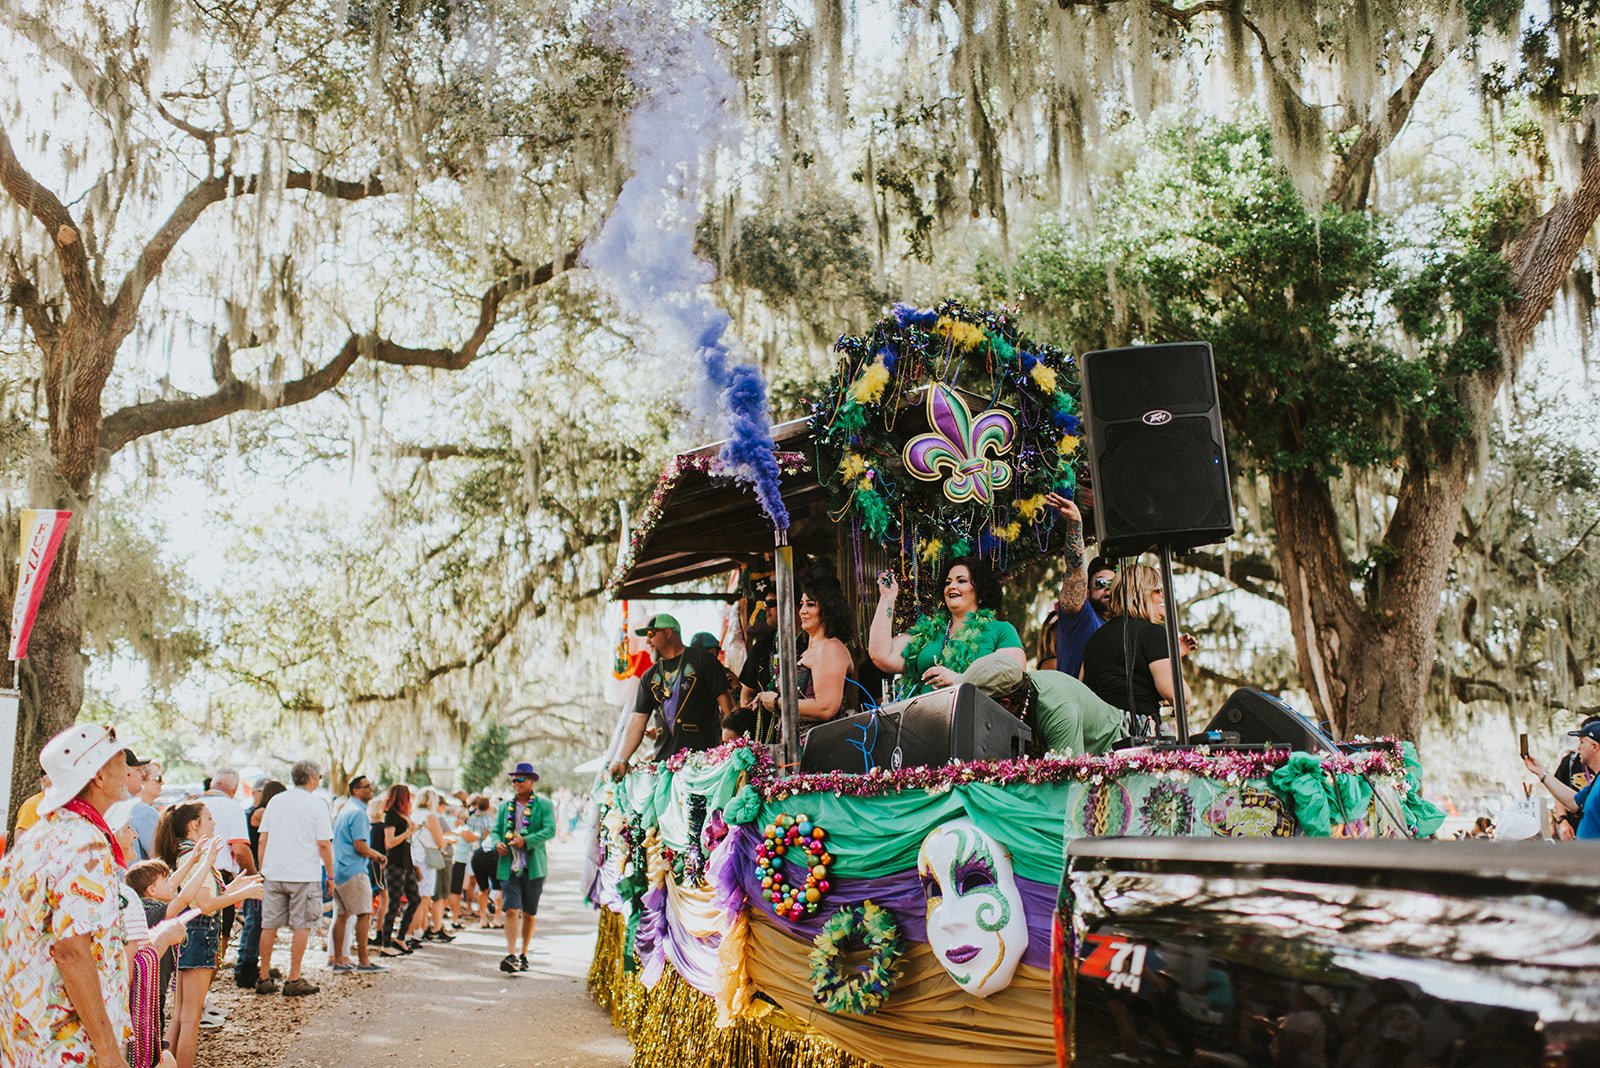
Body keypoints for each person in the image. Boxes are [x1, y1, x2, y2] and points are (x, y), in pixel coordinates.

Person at [0, 725, 135, 1067]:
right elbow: (71, 951)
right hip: (68, 1043)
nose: (129, 771)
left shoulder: (41, 834)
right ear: (99, 776)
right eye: (121, 760)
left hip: (30, 1030)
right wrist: (106, 1049)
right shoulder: (84, 844)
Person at [153, 802, 263, 1068]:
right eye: (210, 818)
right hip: (199, 936)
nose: (214, 823)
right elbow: (204, 904)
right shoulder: (195, 856)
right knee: (191, 1017)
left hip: (188, 936)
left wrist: (235, 887)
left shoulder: (186, 854)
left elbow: (206, 897)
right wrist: (243, 894)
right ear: (194, 826)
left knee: (181, 1014)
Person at [869, 557, 1026, 698]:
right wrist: (887, 598)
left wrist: (959, 680)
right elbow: (882, 655)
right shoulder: (928, 634)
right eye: (948, 582)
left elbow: (1014, 674)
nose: (951, 586)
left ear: (980, 589)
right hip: (924, 723)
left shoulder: (1000, 630)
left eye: (961, 580)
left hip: (973, 722)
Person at [608, 613, 733, 776]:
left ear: (668, 632)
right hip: (665, 767)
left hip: (705, 766)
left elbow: (728, 707)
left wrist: (732, 749)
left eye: (651, 634)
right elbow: (637, 720)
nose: (647, 641)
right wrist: (621, 760)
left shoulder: (704, 661)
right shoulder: (649, 676)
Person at [1080, 563, 1195, 733]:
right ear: (1142, 593)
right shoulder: (1153, 633)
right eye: (1158, 590)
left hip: (1098, 733)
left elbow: (1081, 687)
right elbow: (1177, 693)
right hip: (1134, 731)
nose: (1163, 596)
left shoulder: (1094, 639)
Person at [254, 759, 335, 997]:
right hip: (304, 874)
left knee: (268, 925)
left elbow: (263, 839)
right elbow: (323, 843)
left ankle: (264, 977)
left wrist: (263, 868)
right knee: (303, 925)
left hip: (274, 873)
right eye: (319, 777)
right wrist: (330, 874)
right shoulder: (317, 804)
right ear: (311, 778)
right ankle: (294, 978)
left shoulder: (276, 801)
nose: (319, 782)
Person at [956, 651, 1128, 756]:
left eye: (977, 704)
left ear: (1005, 703)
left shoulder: (1057, 710)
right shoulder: (1018, 687)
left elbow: (1068, 783)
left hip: (1107, 755)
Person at [748, 568, 857, 734]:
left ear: (829, 609)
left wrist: (777, 702)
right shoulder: (812, 650)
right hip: (799, 747)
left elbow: (826, 708)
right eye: (802, 604)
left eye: (811, 604)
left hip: (822, 747)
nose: (802, 611)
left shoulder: (830, 649)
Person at [490, 762, 555, 974]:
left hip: (533, 867)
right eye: (513, 780)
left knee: (528, 913)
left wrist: (526, 841)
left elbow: (550, 830)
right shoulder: (504, 807)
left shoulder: (543, 805)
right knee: (511, 910)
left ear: (531, 781)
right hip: (509, 866)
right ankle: (510, 953)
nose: (516, 783)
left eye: (520, 780)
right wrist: (497, 843)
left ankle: (524, 954)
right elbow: (495, 831)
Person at [330, 774, 386, 973]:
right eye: (366, 787)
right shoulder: (358, 813)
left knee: (342, 914)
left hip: (339, 869)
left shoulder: (345, 810)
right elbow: (360, 846)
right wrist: (376, 854)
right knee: (364, 913)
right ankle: (364, 961)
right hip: (354, 869)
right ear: (355, 790)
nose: (370, 790)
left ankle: (338, 960)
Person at [234, 778, 285, 989]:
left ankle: (249, 964)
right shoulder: (262, 813)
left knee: (256, 921)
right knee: (255, 921)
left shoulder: (261, 811)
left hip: (259, 870)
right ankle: (245, 968)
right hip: (257, 871)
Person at [1525, 720, 1600, 839]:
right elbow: (1574, 803)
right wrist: (1541, 773)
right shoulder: (1596, 781)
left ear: (1594, 747)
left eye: (1581, 742)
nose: (1578, 747)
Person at [377, 784, 420, 956]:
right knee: (394, 903)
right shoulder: (391, 816)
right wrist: (408, 832)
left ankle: (400, 937)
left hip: (406, 863)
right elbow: (390, 842)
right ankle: (385, 944)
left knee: (414, 899)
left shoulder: (404, 815)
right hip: (394, 863)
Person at [409, 788, 454, 944]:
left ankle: (419, 930)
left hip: (413, 858)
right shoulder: (430, 817)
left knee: (416, 898)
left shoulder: (413, 815)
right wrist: (447, 841)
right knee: (424, 898)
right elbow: (440, 842)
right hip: (426, 860)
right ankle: (412, 934)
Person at [467, 795, 501, 929]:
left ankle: (483, 918)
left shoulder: (471, 819)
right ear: (488, 806)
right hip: (491, 853)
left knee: (482, 887)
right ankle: (497, 918)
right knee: (499, 887)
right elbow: (492, 835)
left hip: (475, 853)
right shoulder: (491, 820)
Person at [129, 760, 163, 862]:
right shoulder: (144, 812)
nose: (162, 782)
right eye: (158, 779)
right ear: (142, 781)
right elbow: (159, 857)